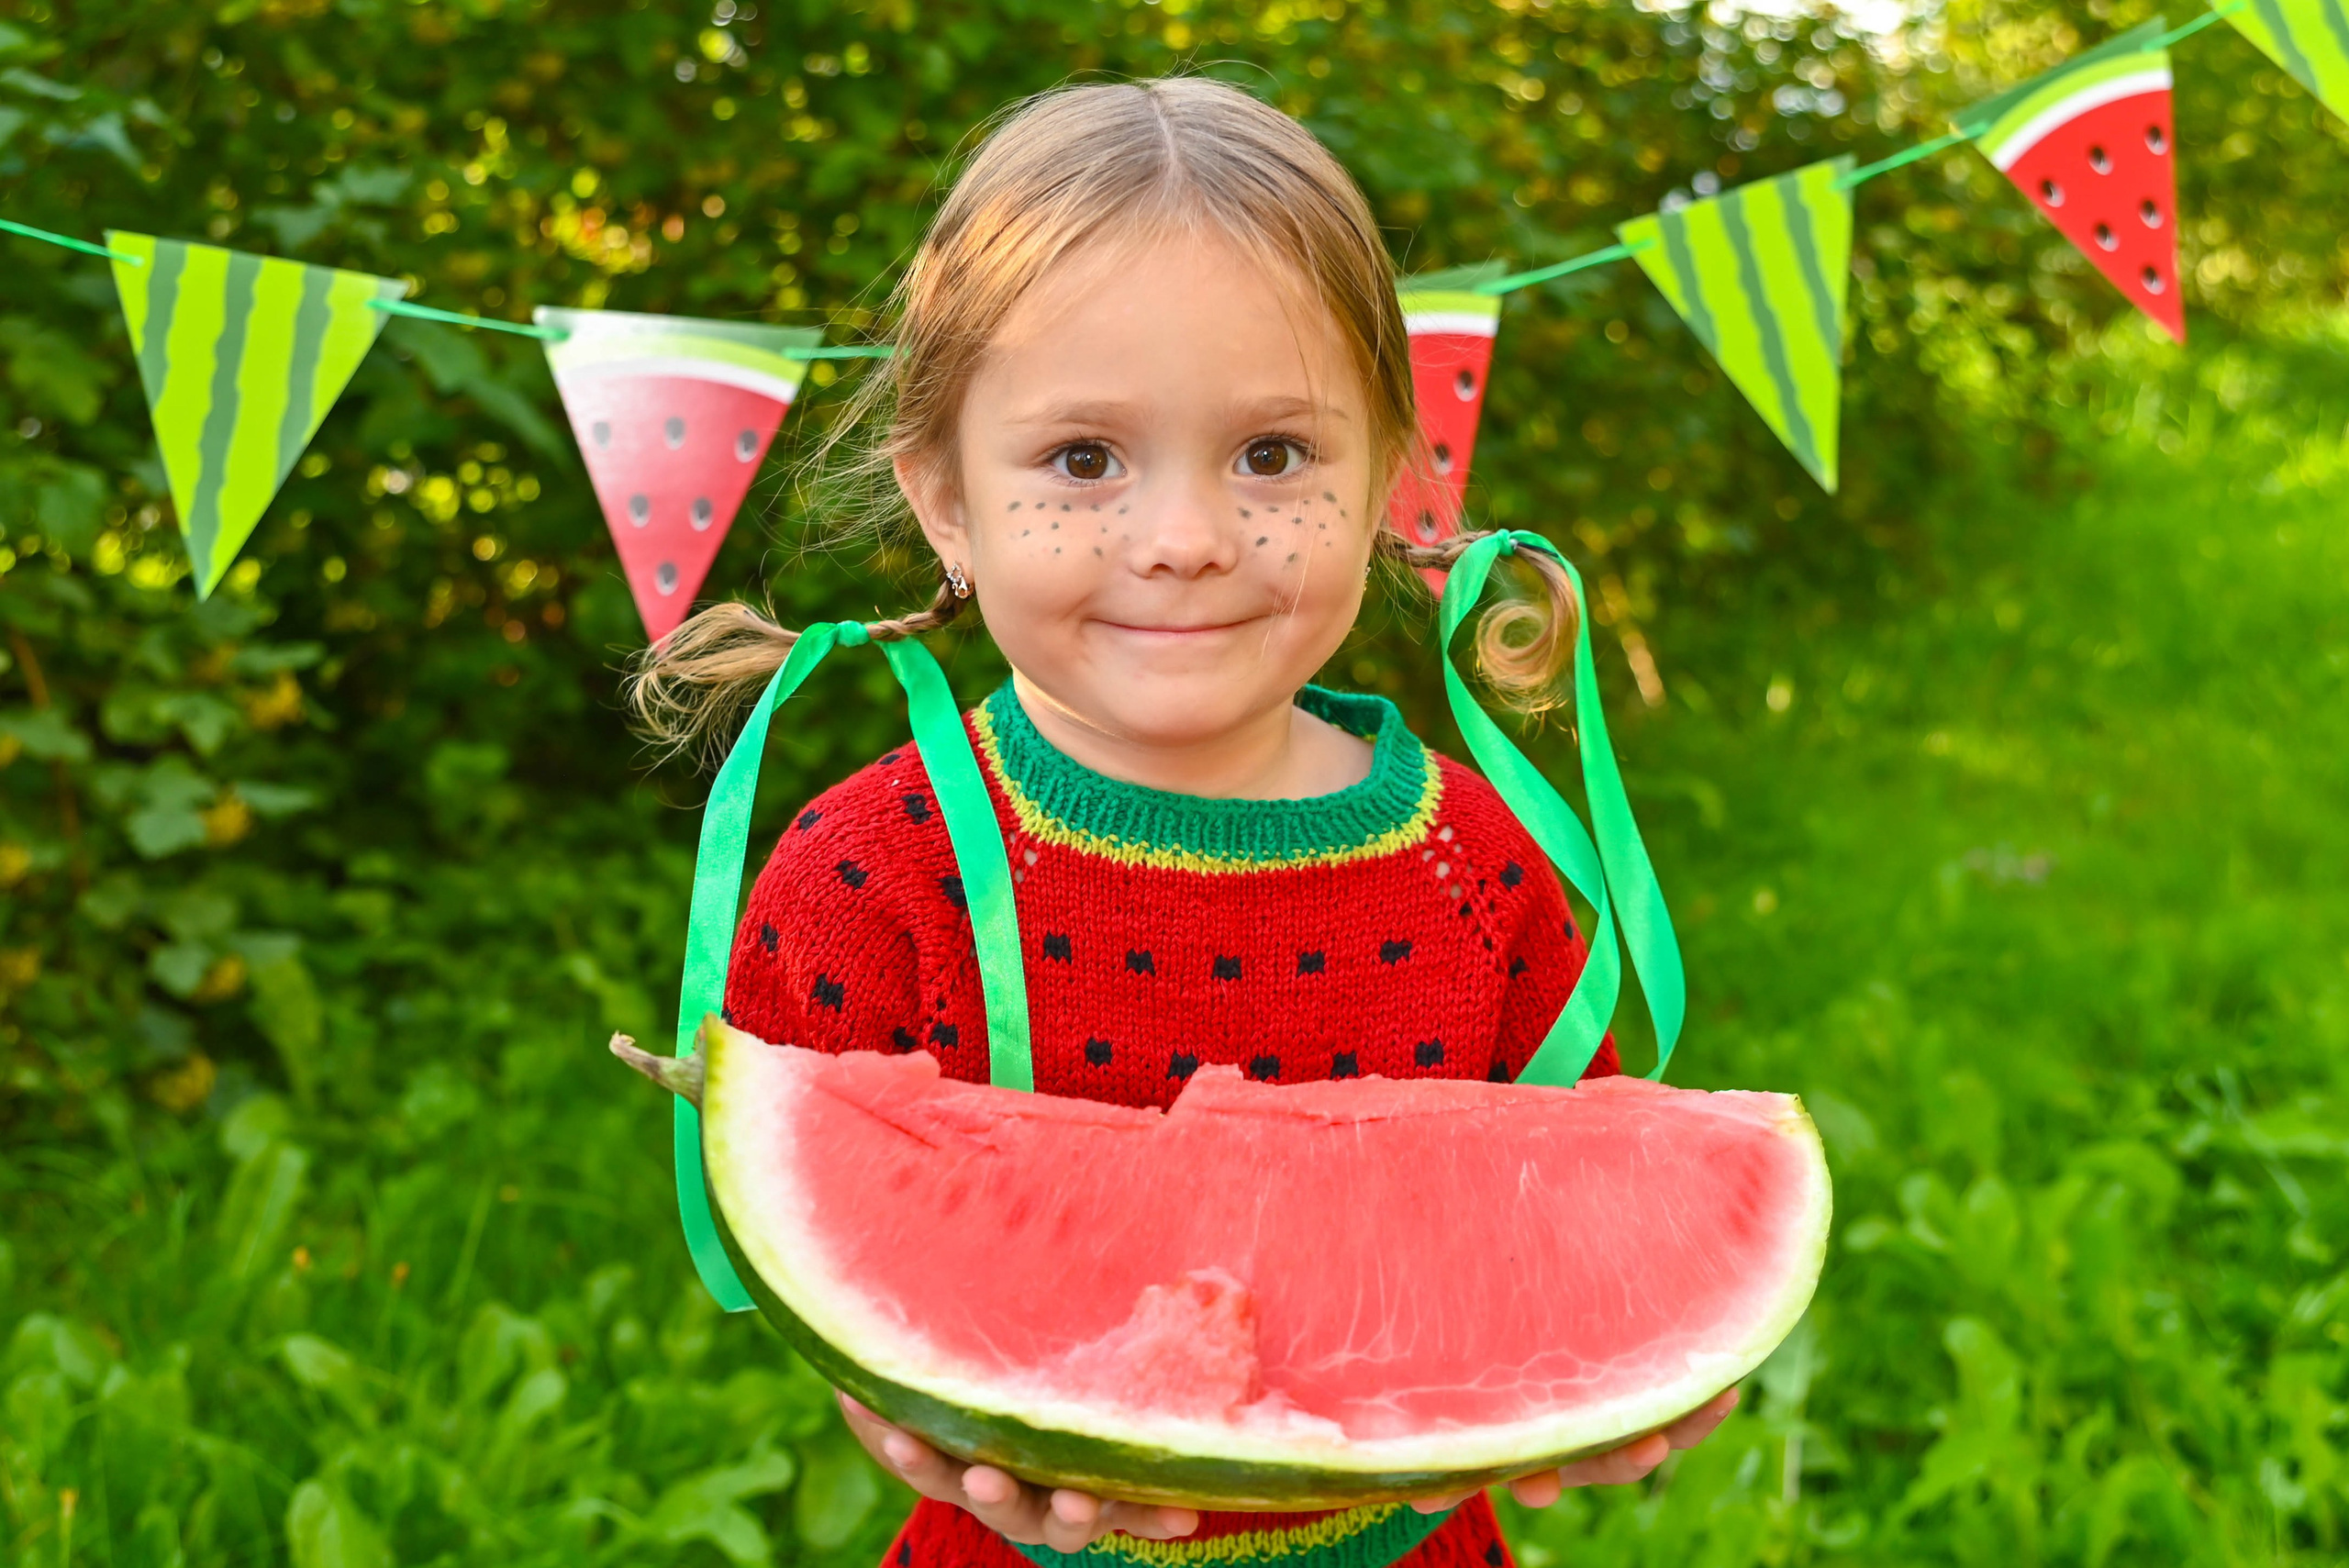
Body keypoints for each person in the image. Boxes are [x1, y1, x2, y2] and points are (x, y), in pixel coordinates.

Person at [629, 75, 1734, 1568]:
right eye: (1083, 460)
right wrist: (912, 1426)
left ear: (1389, 479)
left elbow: (1568, 1201)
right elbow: (837, 1251)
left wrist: (1634, 1335)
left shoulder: (1483, 869)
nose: (1185, 540)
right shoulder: (871, 880)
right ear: (945, 499)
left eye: (1272, 456)